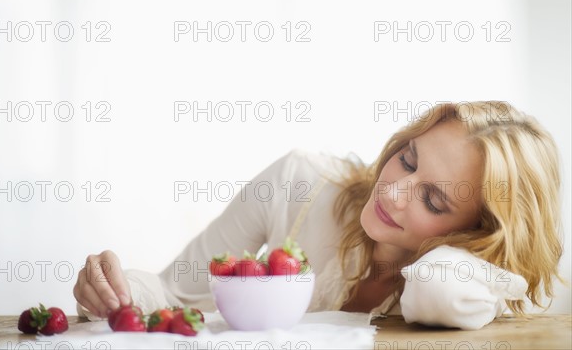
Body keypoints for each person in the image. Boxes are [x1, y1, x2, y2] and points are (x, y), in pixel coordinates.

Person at [73, 101, 563, 330]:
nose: (392, 193)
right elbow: (176, 292)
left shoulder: (487, 289)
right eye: (408, 159)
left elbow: (443, 288)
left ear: (480, 234)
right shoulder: (299, 181)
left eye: (434, 201)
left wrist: (474, 252)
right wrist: (116, 288)